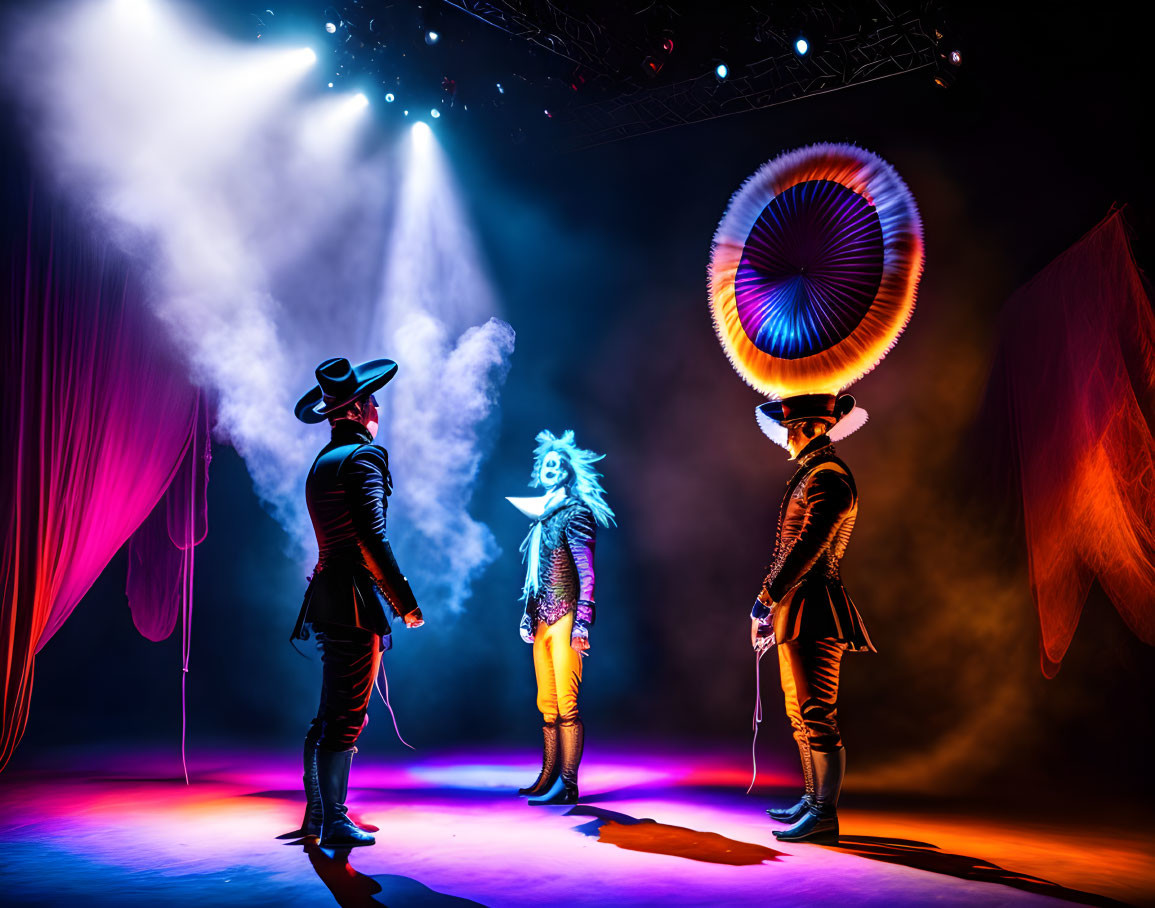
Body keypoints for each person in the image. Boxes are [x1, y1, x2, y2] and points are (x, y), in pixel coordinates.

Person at [285, 356, 424, 848]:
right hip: (353, 601)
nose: (379, 406)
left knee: (331, 712)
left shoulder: (322, 463)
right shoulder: (364, 457)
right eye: (375, 400)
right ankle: (333, 821)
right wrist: (404, 603)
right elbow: (372, 540)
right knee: (345, 717)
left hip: (327, 597)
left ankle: (317, 816)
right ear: (362, 407)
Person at [751, 393, 875, 845]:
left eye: (788, 428)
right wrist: (771, 607)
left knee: (818, 713)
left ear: (805, 427)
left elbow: (808, 547)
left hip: (817, 607)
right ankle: (812, 799)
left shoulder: (829, 477)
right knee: (799, 712)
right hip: (798, 606)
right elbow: (789, 550)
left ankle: (824, 814)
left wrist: (766, 598)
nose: (785, 438)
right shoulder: (813, 474)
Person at [508, 430, 615, 806]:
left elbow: (586, 572)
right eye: (546, 464)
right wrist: (527, 614)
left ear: (568, 472)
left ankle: (567, 783)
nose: (550, 468)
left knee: (567, 704)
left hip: (567, 616)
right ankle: (548, 775)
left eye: (557, 464)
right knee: (546, 702)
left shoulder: (576, 513)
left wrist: (583, 621)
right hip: (543, 619)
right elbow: (535, 576)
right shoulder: (542, 518)